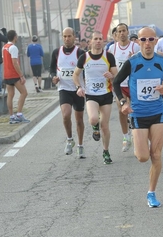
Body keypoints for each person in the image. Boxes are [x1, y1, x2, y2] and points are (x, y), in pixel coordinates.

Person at [112, 27, 163, 207]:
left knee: (156, 154)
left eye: (150, 39)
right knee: (142, 157)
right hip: (138, 114)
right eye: (143, 40)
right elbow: (116, 83)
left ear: (156, 41)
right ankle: (139, 142)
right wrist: (123, 102)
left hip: (157, 112)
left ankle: (151, 193)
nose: (147, 43)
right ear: (137, 42)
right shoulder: (132, 62)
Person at [73, 31, 118, 164]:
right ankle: (94, 127)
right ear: (90, 42)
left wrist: (111, 75)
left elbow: (116, 73)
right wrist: (79, 87)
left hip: (106, 94)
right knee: (93, 119)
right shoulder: (84, 57)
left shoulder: (108, 56)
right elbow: (75, 75)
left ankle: (106, 151)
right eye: (96, 39)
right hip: (91, 94)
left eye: (100, 39)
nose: (98, 41)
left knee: (105, 126)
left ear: (103, 41)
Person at [50, 27, 86, 157]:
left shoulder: (80, 52)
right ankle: (70, 139)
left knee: (79, 119)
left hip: (78, 89)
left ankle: (80, 145)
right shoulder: (56, 52)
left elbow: (85, 70)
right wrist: (53, 77)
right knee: (66, 115)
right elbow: (52, 69)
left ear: (74, 37)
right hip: (64, 88)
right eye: (64, 36)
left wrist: (86, 85)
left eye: (69, 36)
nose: (67, 39)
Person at [108, 23, 140, 152]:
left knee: (137, 111)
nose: (122, 33)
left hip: (133, 84)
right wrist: (110, 75)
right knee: (122, 111)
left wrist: (133, 59)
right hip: (120, 84)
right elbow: (109, 65)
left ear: (127, 32)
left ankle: (140, 138)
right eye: (119, 31)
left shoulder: (135, 47)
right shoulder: (112, 49)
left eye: (124, 31)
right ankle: (126, 137)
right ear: (116, 34)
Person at [2, 30, 30, 124]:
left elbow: (4, 61)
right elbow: (15, 63)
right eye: (17, 36)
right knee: (24, 92)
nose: (17, 37)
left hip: (7, 74)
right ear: (14, 37)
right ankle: (19, 114)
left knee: (10, 95)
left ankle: (12, 116)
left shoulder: (4, 47)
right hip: (14, 74)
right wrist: (21, 75)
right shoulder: (13, 48)